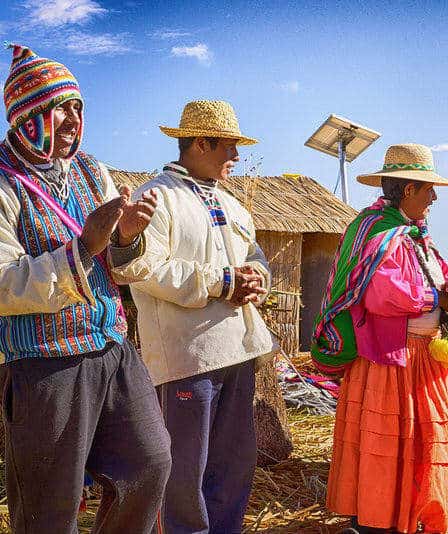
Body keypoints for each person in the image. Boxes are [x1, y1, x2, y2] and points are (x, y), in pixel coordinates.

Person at [0, 44, 171, 532]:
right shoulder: (4, 181)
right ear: (29, 113)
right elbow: (2, 281)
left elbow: (117, 265)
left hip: (112, 348)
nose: (74, 118)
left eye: (78, 106)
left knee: (149, 465)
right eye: (61, 107)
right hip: (43, 363)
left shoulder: (92, 171)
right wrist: (84, 246)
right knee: (50, 506)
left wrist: (124, 238)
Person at [110, 100, 278, 533]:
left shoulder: (234, 206)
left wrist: (258, 275)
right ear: (200, 143)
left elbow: (254, 256)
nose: (235, 157)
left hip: (238, 353)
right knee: (186, 471)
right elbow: (139, 268)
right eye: (229, 146)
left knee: (234, 462)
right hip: (189, 359)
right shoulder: (158, 197)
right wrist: (222, 282)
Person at [313, 143, 448, 533]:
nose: (434, 197)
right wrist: (441, 300)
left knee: (425, 439)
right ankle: (379, 517)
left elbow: (439, 275)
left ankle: (417, 511)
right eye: (428, 189)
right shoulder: (375, 231)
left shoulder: (414, 234)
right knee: (392, 444)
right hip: (391, 360)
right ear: (408, 190)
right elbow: (382, 294)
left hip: (425, 357)